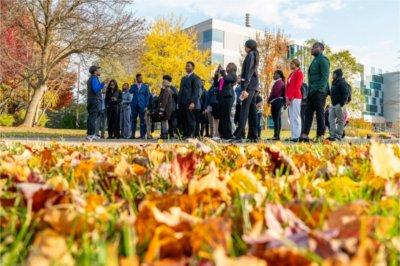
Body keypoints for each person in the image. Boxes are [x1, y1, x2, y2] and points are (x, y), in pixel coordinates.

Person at [300, 42, 330, 142]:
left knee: (320, 113)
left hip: (320, 91)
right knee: (308, 113)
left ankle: (320, 135)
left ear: (321, 48)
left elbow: (325, 76)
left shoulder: (323, 60)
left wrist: (320, 89)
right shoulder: (315, 60)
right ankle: (304, 135)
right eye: (312, 47)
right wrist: (309, 91)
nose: (312, 49)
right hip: (311, 91)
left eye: (314, 47)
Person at [233, 39, 260, 143]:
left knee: (244, 110)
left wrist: (244, 88)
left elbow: (248, 72)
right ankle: (254, 136)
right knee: (252, 111)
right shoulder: (254, 55)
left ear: (248, 46)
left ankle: (239, 136)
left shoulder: (250, 55)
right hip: (253, 86)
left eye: (245, 46)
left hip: (249, 86)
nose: (244, 48)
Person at [178, 61, 202, 138]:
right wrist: (178, 102)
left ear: (193, 68)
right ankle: (185, 134)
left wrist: (193, 102)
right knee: (183, 119)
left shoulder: (196, 78)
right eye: (186, 66)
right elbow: (180, 90)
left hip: (189, 102)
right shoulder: (183, 78)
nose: (187, 67)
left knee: (190, 119)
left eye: (188, 66)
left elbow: (196, 91)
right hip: (182, 102)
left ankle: (191, 134)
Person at [86, 65, 108, 141]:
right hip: (94, 100)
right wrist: (103, 83)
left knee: (91, 117)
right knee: (93, 117)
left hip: (90, 100)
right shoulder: (94, 78)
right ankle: (91, 134)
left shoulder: (90, 79)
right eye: (98, 70)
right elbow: (95, 89)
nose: (99, 71)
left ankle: (90, 134)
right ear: (95, 71)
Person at [217, 63, 237, 140]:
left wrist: (222, 72)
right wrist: (216, 75)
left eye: (229, 66)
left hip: (228, 97)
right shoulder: (224, 77)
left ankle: (229, 135)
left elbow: (228, 79)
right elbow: (216, 84)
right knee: (222, 116)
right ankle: (222, 134)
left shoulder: (233, 75)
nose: (227, 67)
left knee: (226, 116)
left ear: (233, 67)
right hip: (221, 97)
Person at [328, 69, 349, 141]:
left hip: (340, 105)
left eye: (333, 74)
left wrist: (341, 104)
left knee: (340, 121)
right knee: (331, 119)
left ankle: (338, 136)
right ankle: (332, 135)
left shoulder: (342, 82)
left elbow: (345, 94)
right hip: (333, 104)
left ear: (337, 74)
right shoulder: (334, 83)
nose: (332, 75)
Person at [285, 59, 304, 141]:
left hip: (296, 97)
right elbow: (288, 86)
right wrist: (286, 97)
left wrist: (291, 98)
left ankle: (297, 136)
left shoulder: (300, 73)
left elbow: (297, 86)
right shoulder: (291, 74)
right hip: (289, 98)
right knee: (291, 117)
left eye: (291, 63)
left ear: (296, 64)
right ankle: (293, 136)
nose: (290, 65)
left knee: (296, 117)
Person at [130, 73, 150, 139]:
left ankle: (142, 135)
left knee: (142, 121)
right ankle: (132, 135)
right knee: (133, 120)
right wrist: (134, 84)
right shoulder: (133, 86)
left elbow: (147, 96)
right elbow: (130, 92)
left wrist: (146, 106)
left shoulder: (145, 86)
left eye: (141, 78)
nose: (140, 79)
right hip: (134, 106)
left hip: (142, 106)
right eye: (139, 78)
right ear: (136, 79)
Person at [267, 70, 286, 140]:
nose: (273, 75)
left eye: (275, 74)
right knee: (278, 119)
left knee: (276, 119)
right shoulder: (280, 82)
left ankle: (276, 135)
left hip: (277, 102)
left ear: (279, 75)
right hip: (278, 102)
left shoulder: (279, 83)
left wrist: (269, 99)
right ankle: (276, 135)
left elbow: (274, 93)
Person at [157, 75, 174, 139]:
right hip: (167, 108)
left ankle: (165, 134)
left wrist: (161, 110)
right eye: (163, 81)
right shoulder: (167, 90)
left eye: (164, 81)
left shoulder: (167, 90)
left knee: (164, 121)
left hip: (166, 109)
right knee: (164, 121)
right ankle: (165, 134)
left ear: (168, 82)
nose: (163, 82)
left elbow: (164, 101)